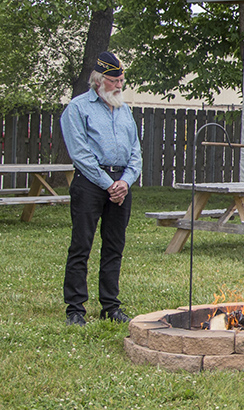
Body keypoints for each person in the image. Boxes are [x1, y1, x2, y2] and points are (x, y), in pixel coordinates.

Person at [60, 52, 142, 326]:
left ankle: (110, 306)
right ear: (98, 80)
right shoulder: (77, 108)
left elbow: (136, 152)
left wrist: (125, 182)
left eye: (122, 80)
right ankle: (75, 309)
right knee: (81, 245)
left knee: (114, 247)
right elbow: (80, 154)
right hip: (91, 183)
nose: (119, 85)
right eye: (114, 81)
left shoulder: (124, 109)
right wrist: (109, 185)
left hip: (121, 183)